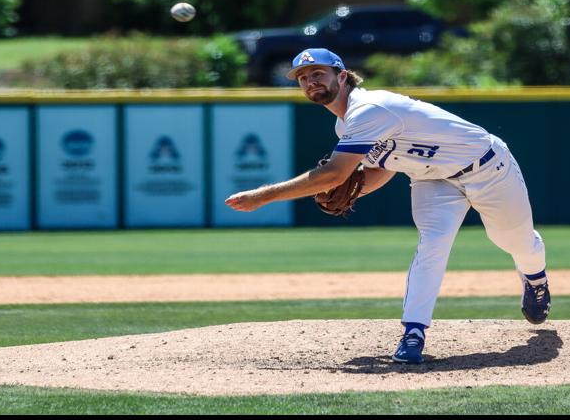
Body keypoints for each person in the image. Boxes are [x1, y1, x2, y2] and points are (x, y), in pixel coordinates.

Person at [226, 48, 549, 364]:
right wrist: (353, 192)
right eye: (303, 77)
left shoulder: (370, 109)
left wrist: (264, 195)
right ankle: (413, 333)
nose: (311, 81)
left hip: (487, 167)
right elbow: (382, 168)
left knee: (513, 241)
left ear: (342, 76)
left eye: (318, 73)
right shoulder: (345, 125)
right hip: (431, 179)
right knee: (433, 244)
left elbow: (335, 174)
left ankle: (535, 278)